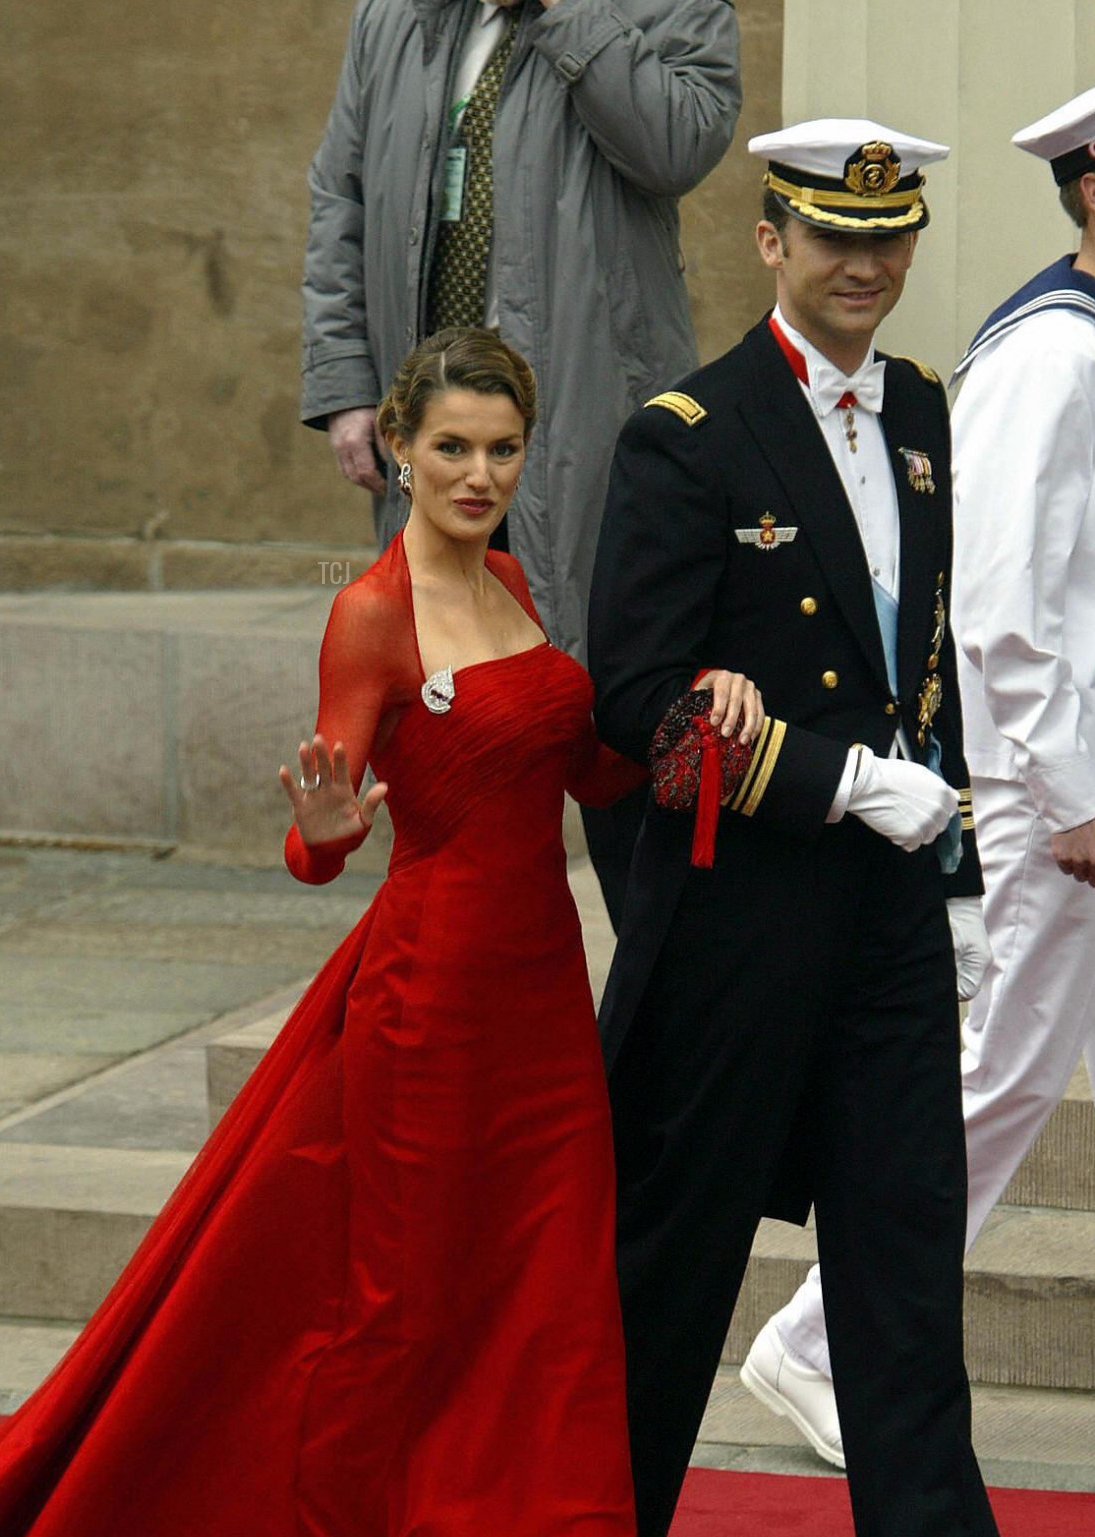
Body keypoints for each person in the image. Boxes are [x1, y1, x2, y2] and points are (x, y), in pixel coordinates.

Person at [0, 329, 730, 1537]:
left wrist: (693, 723)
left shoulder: (507, 580)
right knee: (399, 1322)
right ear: (402, 449)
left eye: (502, 448)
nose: (480, 474)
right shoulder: (373, 614)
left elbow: (591, 767)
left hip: (544, 1009)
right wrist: (319, 837)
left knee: (554, 1322)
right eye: (453, 449)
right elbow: (327, 829)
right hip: (426, 1012)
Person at [588, 119, 1095, 1537]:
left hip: (891, 917)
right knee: (671, 1274)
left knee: (906, 1257)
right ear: (770, 242)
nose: (866, 266)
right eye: (835, 236)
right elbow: (636, 700)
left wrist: (950, 849)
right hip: (738, 926)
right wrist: (834, 780)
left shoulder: (920, 412)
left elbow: (937, 651)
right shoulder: (689, 432)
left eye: (889, 240)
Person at [745, 69, 1095, 1473]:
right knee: (1000, 1083)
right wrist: (1063, 789)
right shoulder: (1057, 354)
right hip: (1085, 791)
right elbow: (997, 604)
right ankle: (812, 1342)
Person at [301, 0, 742, 924]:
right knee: (448, 736)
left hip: (595, 430)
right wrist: (348, 383)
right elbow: (341, 192)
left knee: (615, 711)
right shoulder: (400, 15)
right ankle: (469, 975)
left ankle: (657, 1018)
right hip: (439, 437)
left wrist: (568, 12)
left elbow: (679, 145)